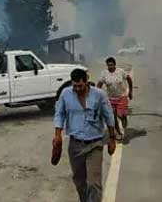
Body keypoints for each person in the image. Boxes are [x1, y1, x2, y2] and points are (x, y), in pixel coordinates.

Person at [53, 68, 116, 202]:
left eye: (80, 85)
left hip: (95, 144)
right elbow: (59, 114)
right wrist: (57, 135)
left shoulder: (99, 95)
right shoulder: (66, 94)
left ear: (86, 81)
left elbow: (109, 116)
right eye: (74, 86)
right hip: (75, 145)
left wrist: (112, 138)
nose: (77, 89)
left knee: (94, 183)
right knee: (80, 182)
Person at [97, 56, 133, 140]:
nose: (110, 67)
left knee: (119, 115)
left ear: (115, 65)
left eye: (112, 65)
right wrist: (98, 96)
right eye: (108, 65)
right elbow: (99, 85)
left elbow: (129, 79)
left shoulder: (120, 71)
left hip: (122, 96)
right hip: (110, 98)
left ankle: (123, 117)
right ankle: (119, 133)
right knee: (113, 117)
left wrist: (131, 92)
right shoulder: (104, 74)